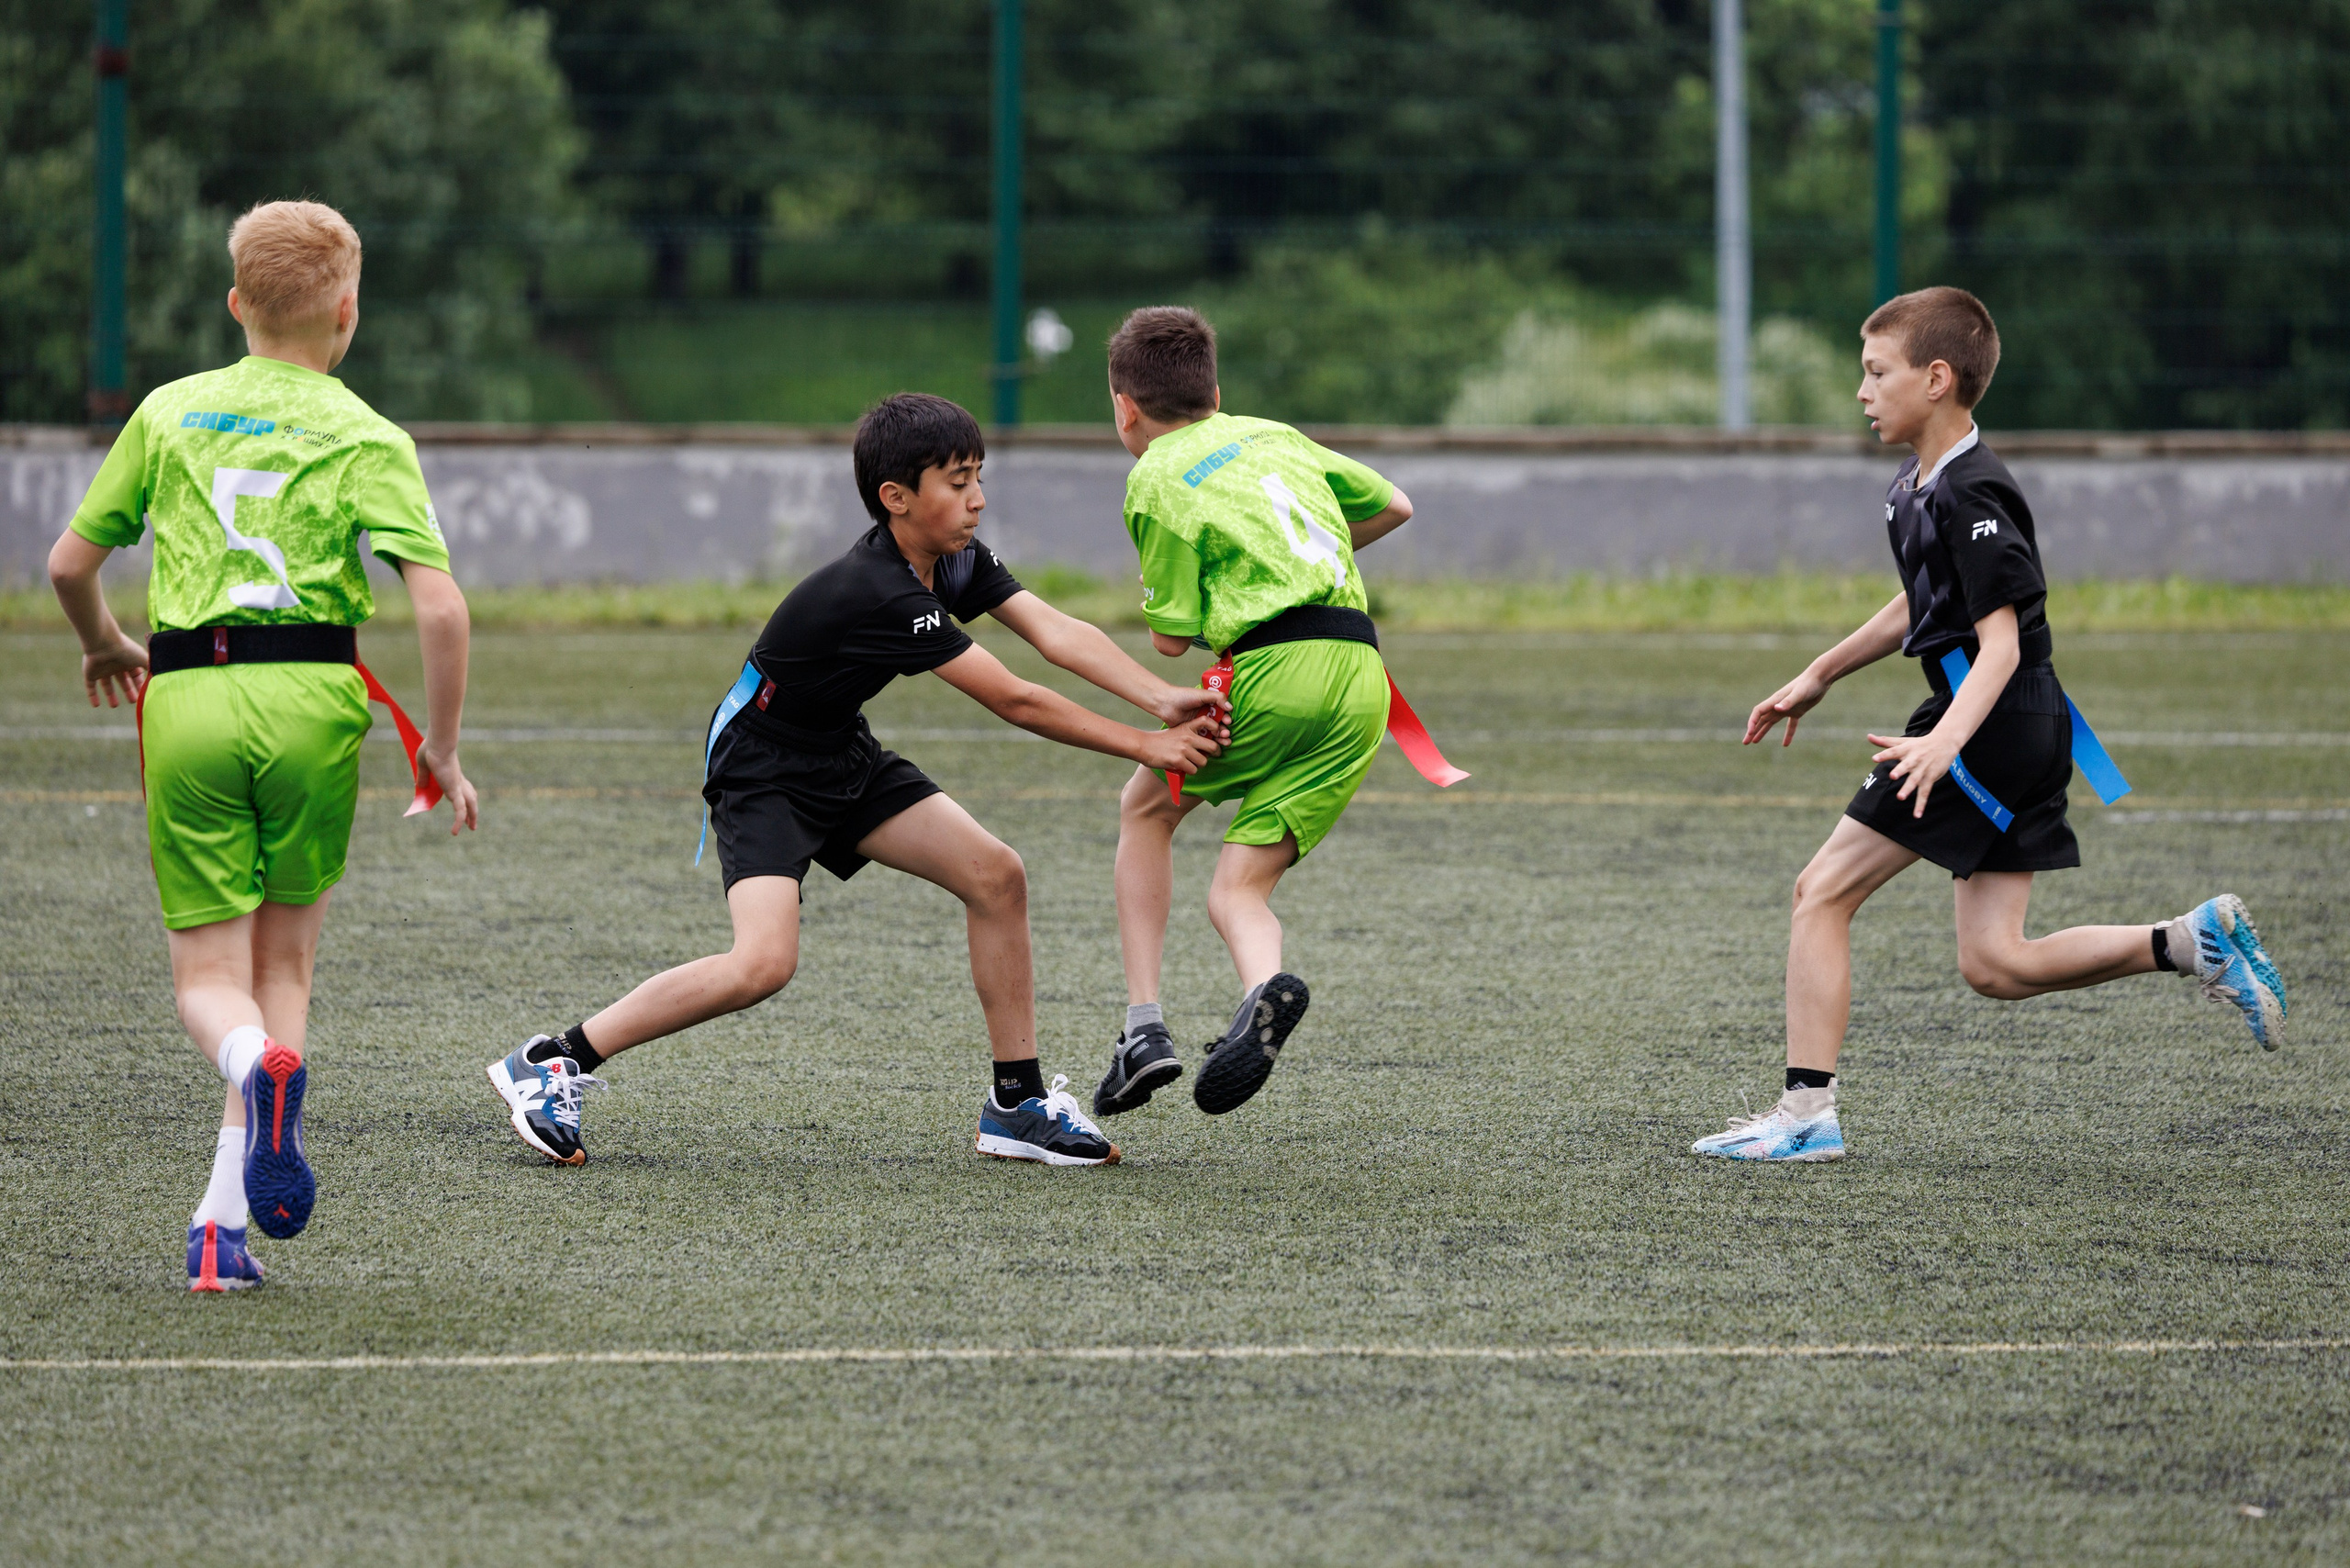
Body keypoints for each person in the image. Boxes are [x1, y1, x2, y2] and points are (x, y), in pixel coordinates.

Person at [486, 393, 1230, 1169]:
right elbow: (1016, 699)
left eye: (979, 476)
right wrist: (1148, 745)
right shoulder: (883, 591)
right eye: (957, 482)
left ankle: (1017, 1104)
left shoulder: (956, 559)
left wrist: (1160, 697)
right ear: (896, 498)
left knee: (996, 875)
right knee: (762, 964)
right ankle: (554, 1059)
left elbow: (1057, 632)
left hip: (840, 750)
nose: (977, 498)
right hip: (761, 766)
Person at [1694, 286, 2287, 1163]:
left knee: (1820, 893)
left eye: (1877, 372)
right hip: (2006, 726)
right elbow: (1924, 601)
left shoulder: (1973, 489)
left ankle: (1807, 1116)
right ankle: (2190, 941)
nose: (1862, 391)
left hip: (1988, 725)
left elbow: (2001, 645)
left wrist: (1945, 741)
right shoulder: (1916, 486)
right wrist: (1819, 673)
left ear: (1936, 379)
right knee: (1995, 965)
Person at [48, 199, 480, 1290]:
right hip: (313, 702)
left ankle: (230, 1173)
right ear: (348, 311)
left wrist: (104, 643)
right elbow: (440, 610)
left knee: (208, 979)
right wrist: (440, 747)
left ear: (237, 303)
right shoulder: (368, 433)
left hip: (188, 696)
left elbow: (67, 565)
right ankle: (224, 1217)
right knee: (282, 966)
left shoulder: (168, 410)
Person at [1091, 306, 1431, 1123]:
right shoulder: (1273, 434)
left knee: (1143, 807)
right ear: (1216, 393)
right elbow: (1396, 506)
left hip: (1272, 669)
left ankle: (1143, 1027)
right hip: (1361, 678)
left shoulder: (1155, 474)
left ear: (1125, 408)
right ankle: (1262, 990)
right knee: (1239, 887)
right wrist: (1295, 562)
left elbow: (1171, 640)